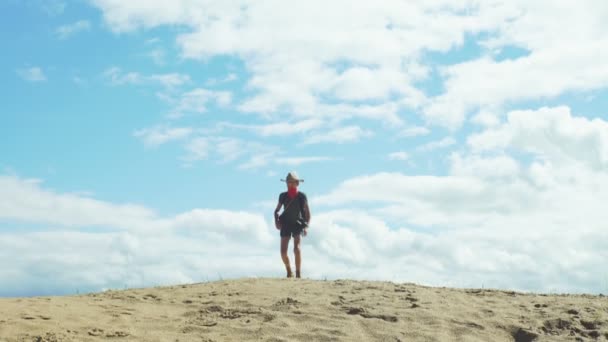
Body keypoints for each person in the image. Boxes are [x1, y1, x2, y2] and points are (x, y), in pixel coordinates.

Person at [274, 171, 311, 278]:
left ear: (297, 183)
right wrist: (276, 221)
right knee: (283, 252)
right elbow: (276, 211)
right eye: (288, 182)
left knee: (297, 249)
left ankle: (298, 274)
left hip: (297, 224)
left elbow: (308, 213)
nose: (289, 184)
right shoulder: (283, 196)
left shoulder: (301, 196)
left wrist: (306, 226)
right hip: (285, 223)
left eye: (292, 182)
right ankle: (289, 271)